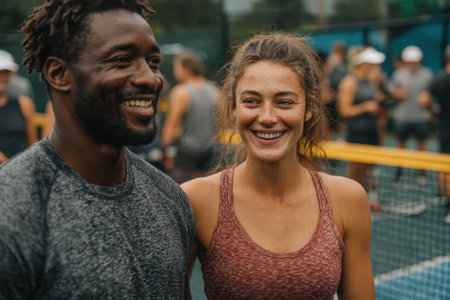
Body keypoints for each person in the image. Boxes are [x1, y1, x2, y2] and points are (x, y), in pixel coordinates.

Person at [0, 1, 194, 299]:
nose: (150, 78)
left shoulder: (170, 198)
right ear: (58, 74)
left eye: (153, 62)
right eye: (121, 60)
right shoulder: (11, 209)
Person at [183, 33, 375, 299]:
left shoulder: (348, 199)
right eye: (251, 101)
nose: (267, 117)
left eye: (284, 102)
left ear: (308, 108)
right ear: (234, 109)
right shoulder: (196, 200)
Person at [337, 46, 386, 210]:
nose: (374, 66)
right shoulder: (349, 82)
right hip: (357, 133)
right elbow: (344, 110)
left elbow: (379, 97)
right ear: (362, 63)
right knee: (355, 173)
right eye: (370, 62)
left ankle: (371, 201)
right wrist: (365, 107)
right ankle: (349, 205)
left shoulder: (371, 80)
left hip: (372, 131)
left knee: (371, 170)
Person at [161, 52, 219, 183]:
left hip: (187, 151)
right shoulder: (215, 91)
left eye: (176, 68)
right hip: (209, 150)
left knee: (180, 194)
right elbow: (221, 123)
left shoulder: (180, 92)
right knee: (205, 191)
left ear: (185, 69)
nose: (175, 72)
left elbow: (171, 125)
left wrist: (164, 151)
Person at [391, 45, 433, 183]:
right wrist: (399, 94)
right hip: (402, 117)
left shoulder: (427, 74)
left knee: (421, 145)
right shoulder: (398, 74)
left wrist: (429, 107)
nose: (412, 63)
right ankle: (399, 172)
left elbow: (430, 95)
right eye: (409, 61)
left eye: (414, 60)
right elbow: (391, 93)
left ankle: (421, 173)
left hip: (421, 117)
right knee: (400, 145)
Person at [419, 45, 450, 223]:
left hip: (444, 129)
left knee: (445, 167)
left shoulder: (438, 80)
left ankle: (447, 203)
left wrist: (434, 111)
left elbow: (423, 99)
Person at [0, 49, 38, 164]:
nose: (3, 76)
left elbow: (33, 144)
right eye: (0, 72)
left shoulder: (25, 104)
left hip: (20, 175)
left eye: (7, 72)